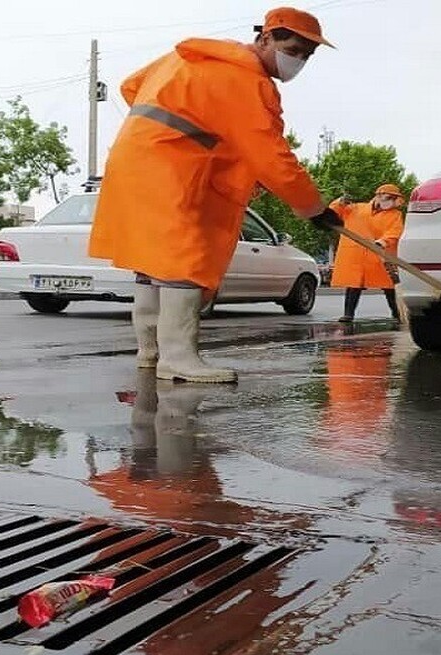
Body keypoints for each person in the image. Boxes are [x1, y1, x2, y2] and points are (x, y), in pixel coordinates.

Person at [88, 7, 342, 384]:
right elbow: (270, 154)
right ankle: (178, 358)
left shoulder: (194, 55)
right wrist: (313, 208)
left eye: (307, 55)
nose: (299, 59)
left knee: (154, 262)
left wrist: (186, 124)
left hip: (134, 158)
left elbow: (130, 85)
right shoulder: (245, 79)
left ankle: (150, 351)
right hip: (172, 168)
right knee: (183, 260)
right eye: (294, 48)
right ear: (266, 37)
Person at [329, 184, 406, 322]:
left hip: (380, 255)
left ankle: (397, 313)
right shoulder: (356, 208)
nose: (392, 202)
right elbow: (333, 213)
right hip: (356, 256)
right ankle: (348, 314)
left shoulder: (395, 215)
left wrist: (383, 242)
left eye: (394, 199)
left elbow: (395, 231)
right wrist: (340, 201)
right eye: (389, 198)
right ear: (379, 196)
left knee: (389, 286)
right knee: (354, 285)